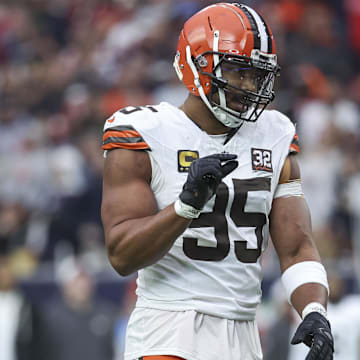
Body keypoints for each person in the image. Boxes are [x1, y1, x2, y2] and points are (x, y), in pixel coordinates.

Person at [101, 3, 334, 360]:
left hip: (243, 332)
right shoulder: (145, 132)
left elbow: (297, 246)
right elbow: (121, 254)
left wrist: (314, 311)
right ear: (196, 65)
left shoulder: (275, 133)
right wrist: (186, 206)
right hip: (169, 327)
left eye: (257, 75)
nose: (249, 86)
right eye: (238, 71)